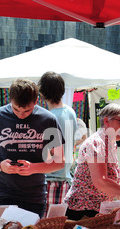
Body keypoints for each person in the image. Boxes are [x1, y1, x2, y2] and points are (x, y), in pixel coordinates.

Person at [0, 79, 65, 221]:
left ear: (36, 101)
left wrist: (33, 168)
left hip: (34, 196)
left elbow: (60, 161)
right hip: (1, 193)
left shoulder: (48, 119)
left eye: (27, 110)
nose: (21, 114)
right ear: (10, 100)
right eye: (16, 109)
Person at [64, 103, 120, 220]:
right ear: (106, 121)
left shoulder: (110, 143)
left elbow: (109, 180)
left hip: (96, 210)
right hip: (83, 211)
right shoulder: (96, 143)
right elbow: (101, 181)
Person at [38, 71, 78, 214]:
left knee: (46, 228)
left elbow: (47, 152)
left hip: (51, 178)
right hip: (65, 178)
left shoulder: (48, 117)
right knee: (57, 227)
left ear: (42, 92)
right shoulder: (70, 112)